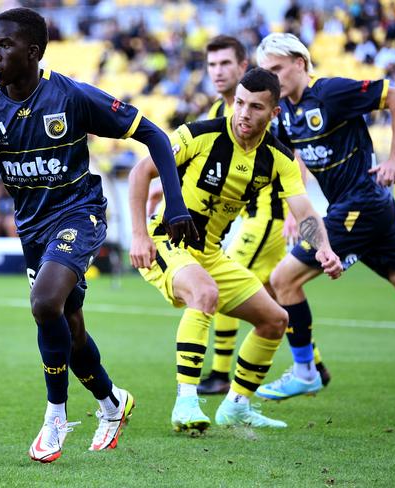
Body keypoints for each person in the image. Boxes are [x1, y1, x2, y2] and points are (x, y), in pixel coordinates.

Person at [0, 7, 197, 463]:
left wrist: (175, 205)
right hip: (34, 231)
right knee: (70, 329)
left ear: (33, 52)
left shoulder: (72, 97)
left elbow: (155, 136)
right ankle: (111, 403)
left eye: (5, 46)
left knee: (43, 303)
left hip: (80, 215)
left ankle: (56, 416)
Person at [129, 67, 342, 431]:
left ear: (274, 113)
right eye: (240, 103)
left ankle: (236, 406)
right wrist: (138, 236)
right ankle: (186, 403)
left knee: (275, 321)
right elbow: (140, 172)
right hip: (167, 240)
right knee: (204, 292)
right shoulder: (199, 134)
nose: (244, 113)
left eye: (256, 107)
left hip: (210, 252)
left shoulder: (279, 158)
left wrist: (323, 247)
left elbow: (303, 208)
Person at [255, 33, 395, 400]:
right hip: (366, 210)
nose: (272, 79)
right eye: (266, 72)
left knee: (283, 279)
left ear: (300, 63)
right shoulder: (287, 115)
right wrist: (297, 212)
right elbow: (295, 161)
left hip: (361, 203)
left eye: (277, 69)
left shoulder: (330, 93)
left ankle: (305, 371)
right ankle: (305, 369)